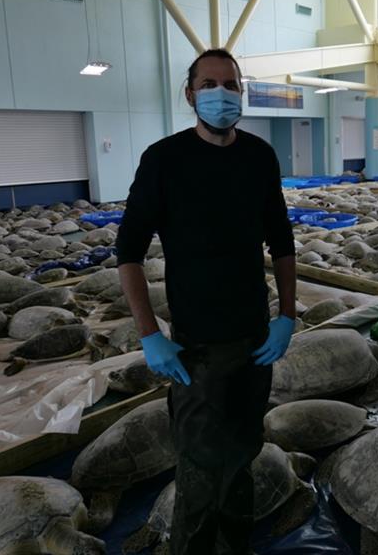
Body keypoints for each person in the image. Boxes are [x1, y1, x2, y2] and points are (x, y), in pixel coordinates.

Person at [116, 48, 297, 555]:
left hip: (256, 338)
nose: (223, 93)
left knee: (243, 455)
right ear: (191, 93)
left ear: (242, 91)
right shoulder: (164, 159)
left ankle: (235, 546)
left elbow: (281, 241)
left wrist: (287, 315)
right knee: (198, 468)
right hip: (197, 346)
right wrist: (151, 335)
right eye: (210, 84)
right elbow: (128, 251)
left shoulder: (259, 156)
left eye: (232, 84)